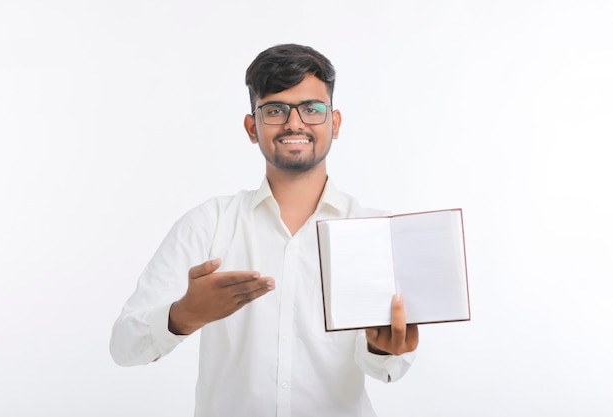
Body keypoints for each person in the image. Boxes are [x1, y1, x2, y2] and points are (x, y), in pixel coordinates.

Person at [110, 43, 419, 417]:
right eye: (274, 110)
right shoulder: (209, 223)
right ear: (251, 127)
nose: (294, 123)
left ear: (334, 124)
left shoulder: (374, 231)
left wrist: (383, 348)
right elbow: (124, 345)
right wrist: (184, 314)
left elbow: (386, 370)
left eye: (311, 108)